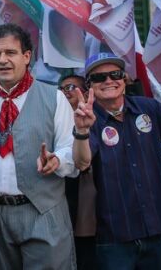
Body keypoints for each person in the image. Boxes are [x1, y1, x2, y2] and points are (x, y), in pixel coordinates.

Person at [0, 23, 78, 270]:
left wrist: (58, 160)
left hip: (43, 212)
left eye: (10, 53)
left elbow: (70, 149)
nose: (3, 60)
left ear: (26, 56)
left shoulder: (54, 97)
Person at [72, 53, 161, 270]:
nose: (108, 81)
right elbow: (81, 163)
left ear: (124, 79)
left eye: (114, 74)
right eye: (99, 78)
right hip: (114, 238)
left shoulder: (148, 108)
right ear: (89, 86)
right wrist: (82, 131)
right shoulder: (88, 118)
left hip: (155, 231)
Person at [58, 73, 97, 270]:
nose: (65, 92)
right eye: (62, 88)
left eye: (70, 87)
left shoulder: (94, 119)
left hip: (87, 195)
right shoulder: (55, 119)